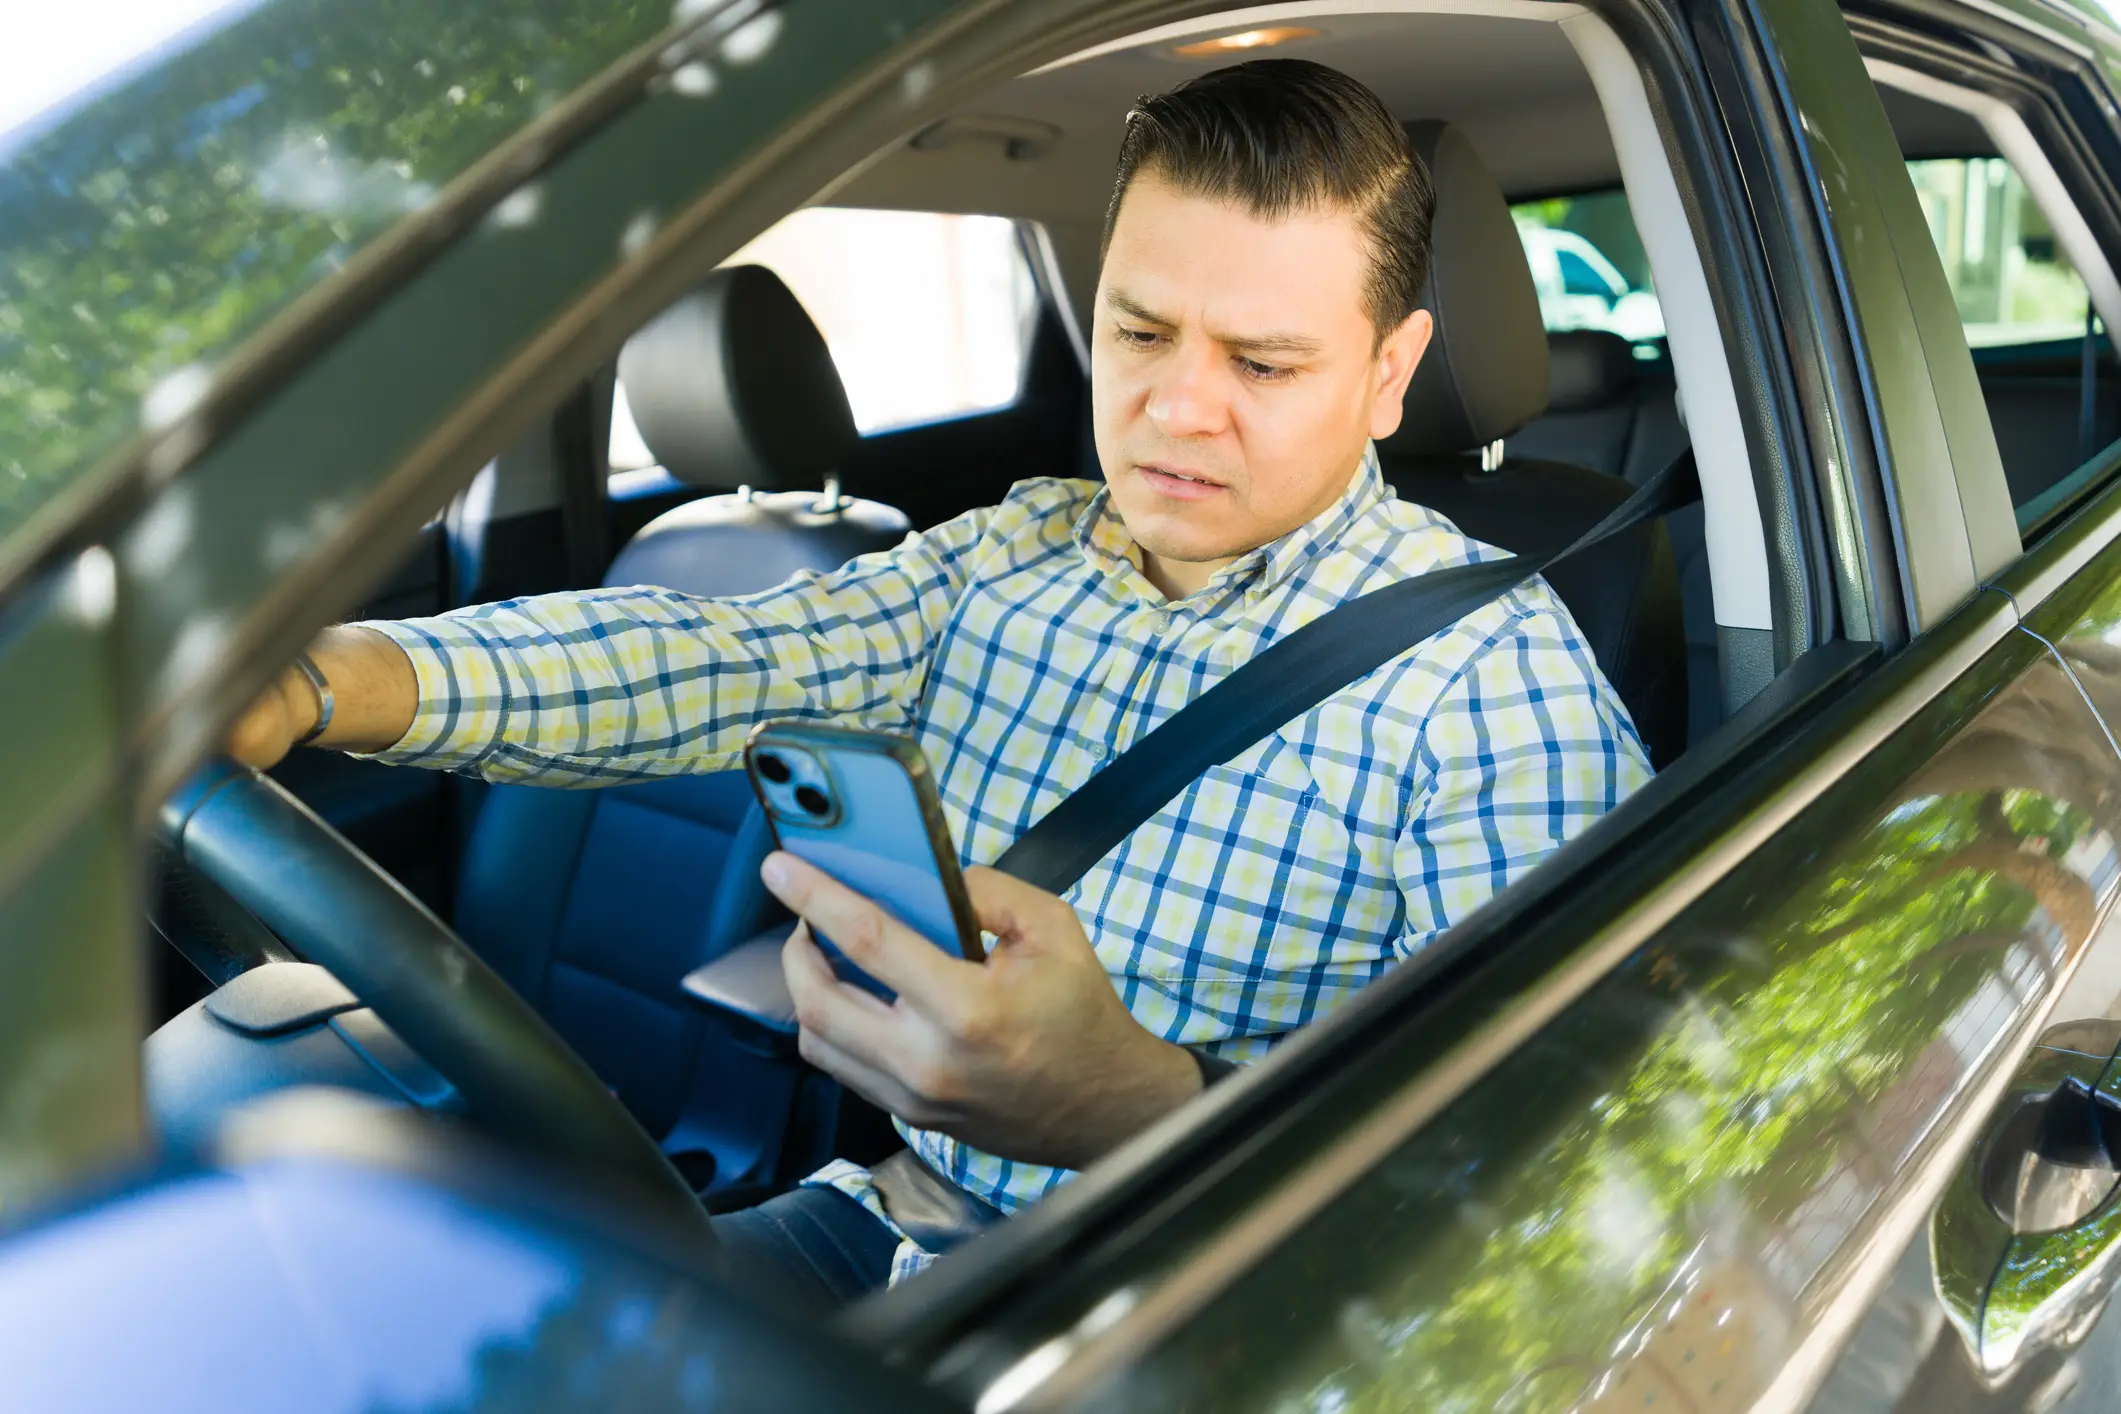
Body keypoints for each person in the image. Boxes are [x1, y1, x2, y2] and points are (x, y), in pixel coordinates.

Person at [227, 59, 1650, 1308]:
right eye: (1141, 331)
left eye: (1263, 360)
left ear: (1393, 372)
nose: (1176, 407)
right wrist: (334, 672)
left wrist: (1145, 1103)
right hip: (890, 1217)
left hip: (1226, 1290)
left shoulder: (1492, 683)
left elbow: (1570, 1166)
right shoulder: (1014, 546)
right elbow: (726, 655)